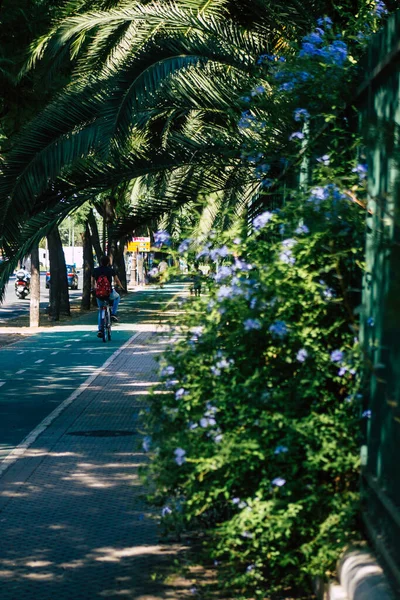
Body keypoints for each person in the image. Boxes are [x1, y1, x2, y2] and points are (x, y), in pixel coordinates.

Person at [92, 256, 123, 338]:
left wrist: (94, 288)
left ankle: (100, 330)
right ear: (108, 262)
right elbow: (117, 280)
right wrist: (121, 287)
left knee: (101, 310)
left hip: (99, 293)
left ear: (100, 262)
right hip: (109, 293)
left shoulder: (95, 270)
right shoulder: (110, 270)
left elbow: (92, 281)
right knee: (117, 297)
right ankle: (113, 313)